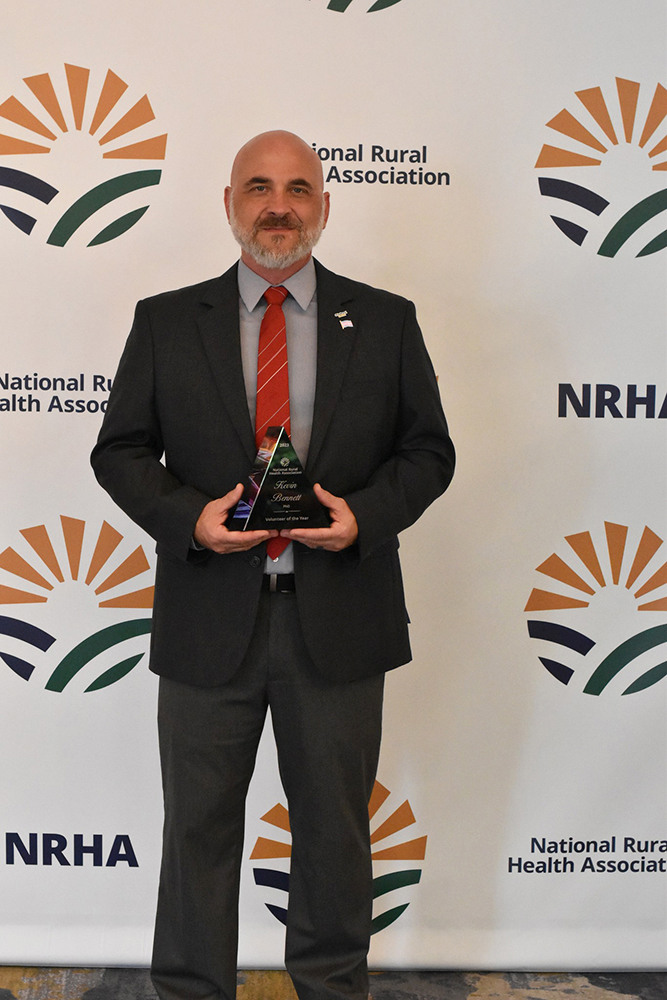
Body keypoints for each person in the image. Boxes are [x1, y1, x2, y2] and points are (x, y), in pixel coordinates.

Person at [91, 130, 455, 1000]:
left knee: (334, 833)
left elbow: (428, 453)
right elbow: (121, 452)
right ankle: (190, 989)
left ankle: (330, 987)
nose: (278, 205)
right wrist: (192, 520)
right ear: (229, 203)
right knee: (197, 834)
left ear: (324, 206)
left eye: (297, 188)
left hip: (337, 620)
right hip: (207, 619)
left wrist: (361, 515)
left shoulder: (387, 319)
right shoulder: (166, 320)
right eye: (259, 186)